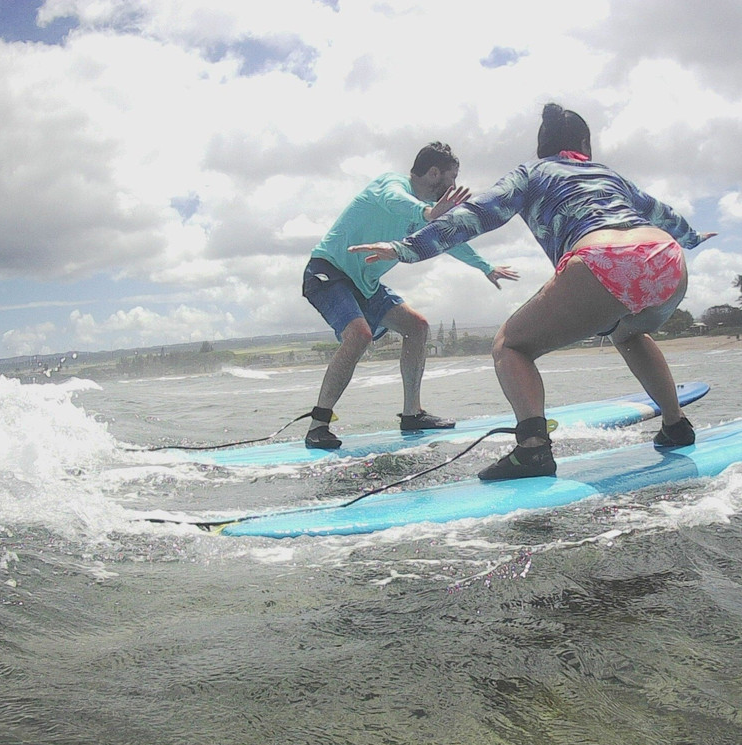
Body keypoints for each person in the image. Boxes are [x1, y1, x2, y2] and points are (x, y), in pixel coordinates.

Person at [349, 103, 716, 480]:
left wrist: (405, 248)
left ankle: (533, 450)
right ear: (584, 142)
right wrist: (693, 237)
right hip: (667, 260)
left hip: (603, 259)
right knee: (630, 332)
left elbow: (476, 214)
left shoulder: (532, 172)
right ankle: (676, 424)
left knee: (511, 345)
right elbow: (663, 213)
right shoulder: (607, 174)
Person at [301, 142, 518, 449]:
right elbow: (396, 202)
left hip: (365, 284)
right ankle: (317, 426)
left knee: (417, 327)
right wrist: (428, 212)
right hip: (329, 271)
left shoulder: (424, 212)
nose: (454, 186)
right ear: (434, 172)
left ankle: (411, 414)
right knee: (359, 334)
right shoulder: (391, 186)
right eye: (451, 177)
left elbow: (447, 239)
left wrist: (485, 267)